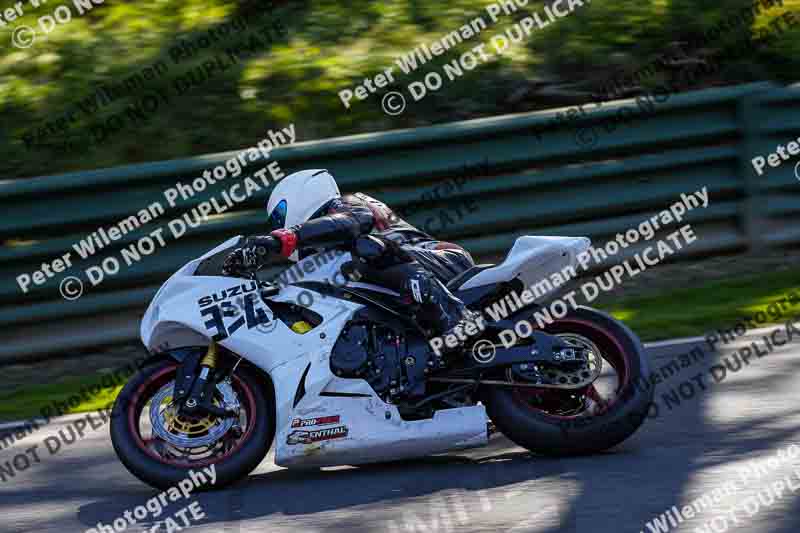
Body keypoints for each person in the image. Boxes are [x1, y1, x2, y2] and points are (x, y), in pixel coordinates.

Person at [222, 169, 478, 349]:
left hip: (445, 262)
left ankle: (458, 320)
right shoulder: (328, 250)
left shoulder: (347, 204)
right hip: (409, 280)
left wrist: (283, 238)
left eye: (280, 216)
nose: (277, 225)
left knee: (364, 247)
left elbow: (351, 224)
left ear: (300, 197)